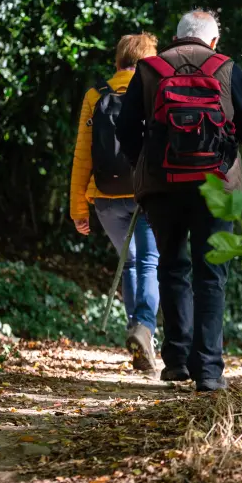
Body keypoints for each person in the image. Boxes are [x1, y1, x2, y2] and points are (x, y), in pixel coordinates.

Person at [116, 10, 242, 391]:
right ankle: (210, 371)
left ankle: (177, 361)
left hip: (162, 185)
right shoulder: (227, 67)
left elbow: (127, 130)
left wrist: (144, 164)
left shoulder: (150, 69)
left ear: (177, 37)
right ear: (212, 41)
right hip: (219, 187)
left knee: (171, 266)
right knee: (211, 274)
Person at [70, 33, 160, 373]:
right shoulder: (154, 90)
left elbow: (82, 156)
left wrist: (79, 209)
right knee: (150, 263)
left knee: (131, 263)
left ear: (118, 60)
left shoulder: (96, 95)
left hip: (106, 199)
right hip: (145, 195)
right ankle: (144, 328)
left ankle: (138, 336)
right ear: (149, 60)